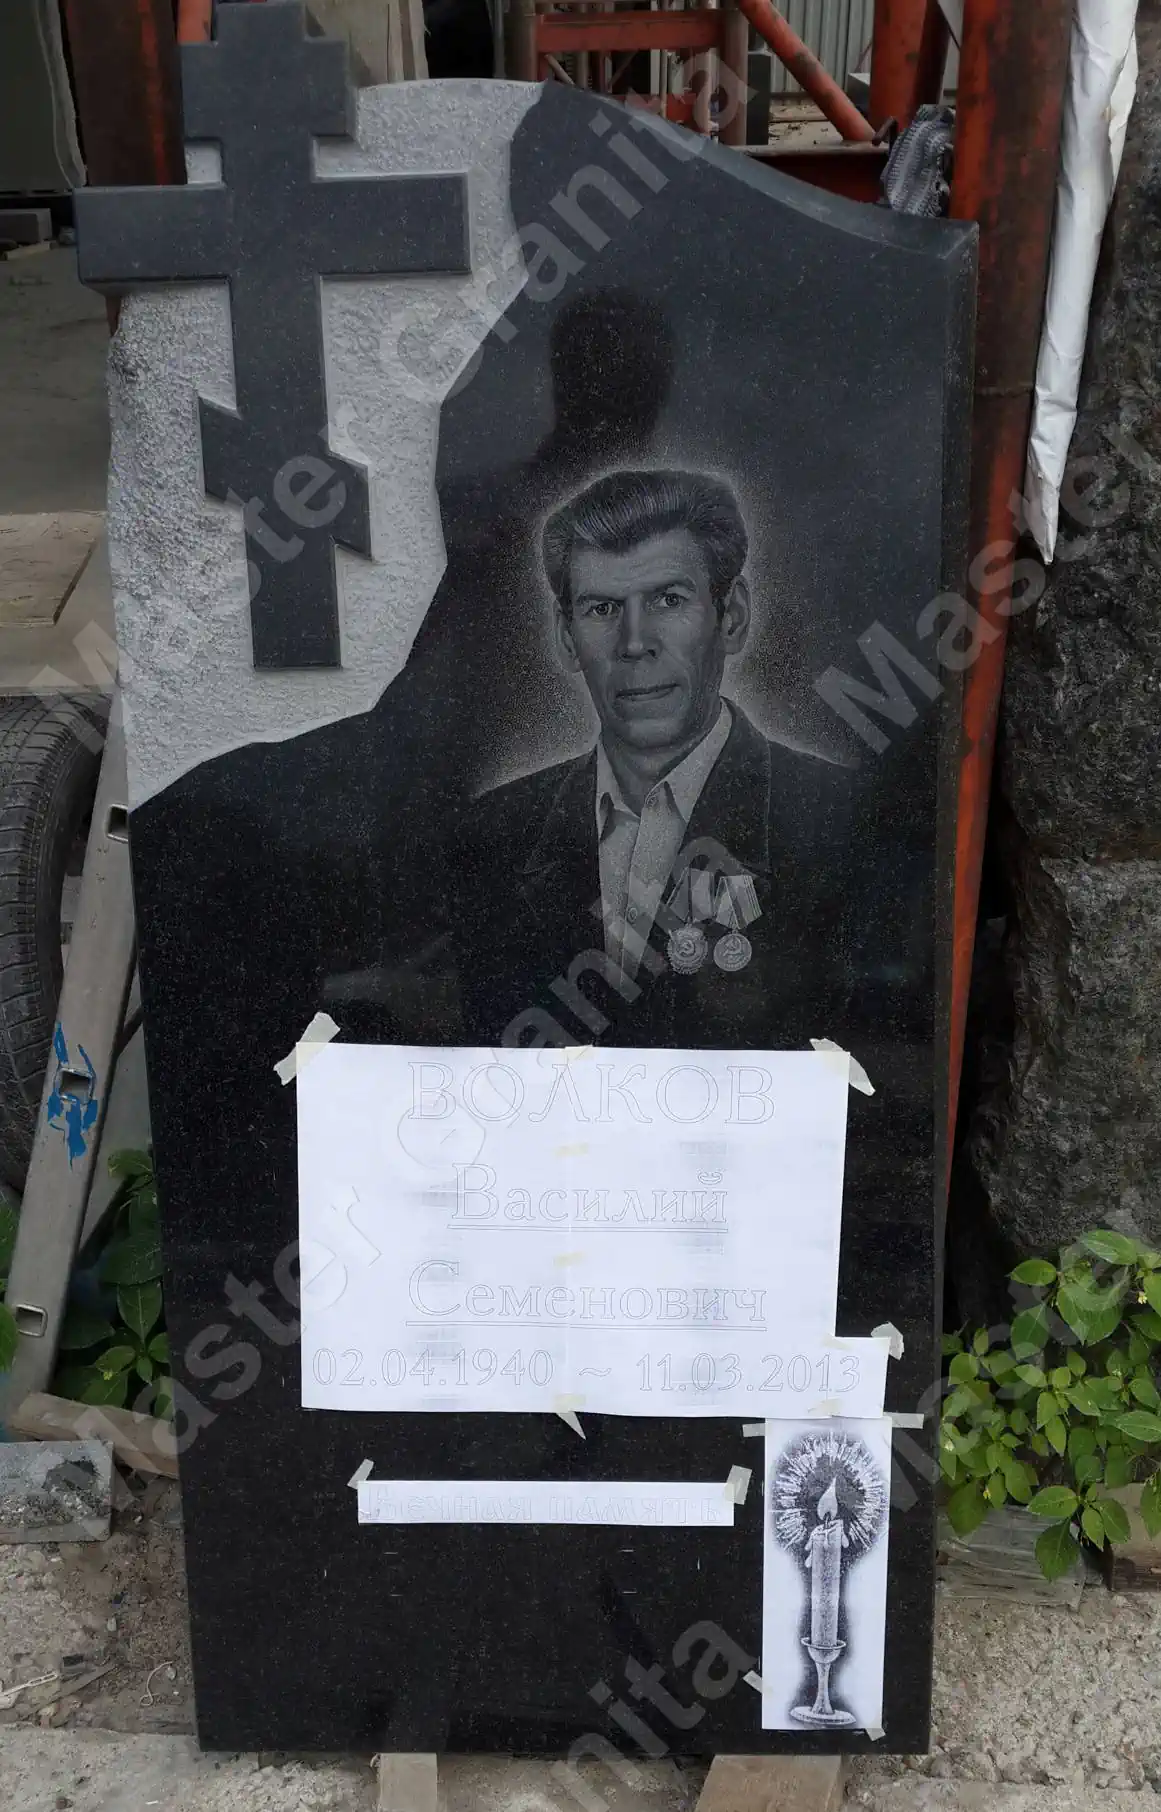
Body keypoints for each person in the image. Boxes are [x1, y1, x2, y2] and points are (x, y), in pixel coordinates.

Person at [455, 468, 858, 1049]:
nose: (634, 642)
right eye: (602, 608)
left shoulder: (843, 818)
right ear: (567, 639)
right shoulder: (489, 836)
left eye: (669, 600)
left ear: (732, 617)